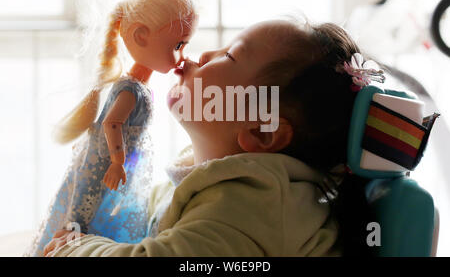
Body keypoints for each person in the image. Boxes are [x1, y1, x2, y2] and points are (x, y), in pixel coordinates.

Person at [44, 17, 378, 257]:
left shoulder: (252, 207)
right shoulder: (211, 182)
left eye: (230, 55)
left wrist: (74, 248)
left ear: (262, 132)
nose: (203, 55)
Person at [24, 0, 198, 257]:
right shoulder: (131, 89)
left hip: (123, 162)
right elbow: (111, 122)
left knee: (110, 209)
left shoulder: (137, 86)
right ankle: (70, 241)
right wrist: (117, 161)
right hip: (108, 160)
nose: (182, 56)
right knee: (88, 205)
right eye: (177, 45)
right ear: (141, 36)